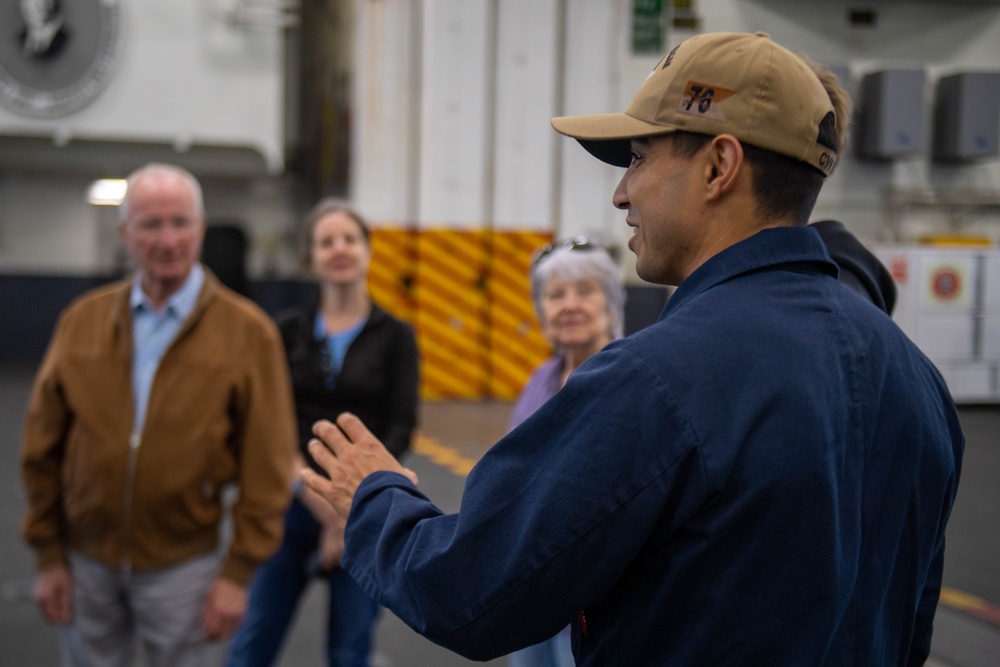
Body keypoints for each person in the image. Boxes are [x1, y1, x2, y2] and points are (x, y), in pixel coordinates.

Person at [301, 32, 964, 665]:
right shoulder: (918, 382)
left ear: (718, 166)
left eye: (640, 158)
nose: (621, 192)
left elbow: (468, 589)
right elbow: (910, 624)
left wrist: (375, 496)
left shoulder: (658, 381)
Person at [19, 163, 298, 667]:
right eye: (150, 224)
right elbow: (42, 444)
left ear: (201, 229)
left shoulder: (249, 334)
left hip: (185, 568)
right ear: (125, 234)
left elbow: (269, 464)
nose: (167, 240)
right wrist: (48, 553)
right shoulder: (81, 322)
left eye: (180, 222)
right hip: (86, 563)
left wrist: (237, 575)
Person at [227, 199, 420, 667]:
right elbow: (270, 423)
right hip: (289, 505)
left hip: (363, 513)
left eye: (349, 239)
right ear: (310, 257)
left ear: (368, 252)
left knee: (350, 650)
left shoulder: (396, 336)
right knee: (253, 643)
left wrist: (348, 508)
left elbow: (398, 428)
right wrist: (316, 495)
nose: (339, 249)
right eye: (326, 241)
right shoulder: (284, 332)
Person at [507, 239, 625, 667]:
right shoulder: (540, 379)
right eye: (556, 295)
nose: (569, 305)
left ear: (612, 305)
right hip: (531, 588)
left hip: (598, 597)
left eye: (585, 291)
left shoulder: (631, 378)